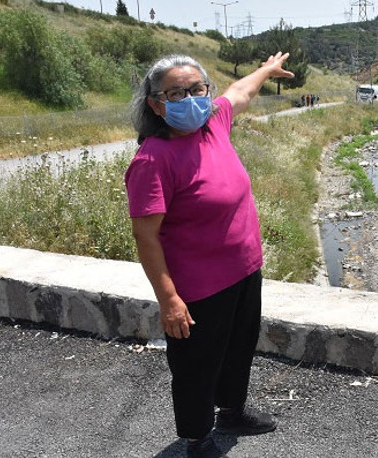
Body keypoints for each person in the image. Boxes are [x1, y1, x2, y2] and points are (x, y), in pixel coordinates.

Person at [125, 52, 293, 458]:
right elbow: (146, 237)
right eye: (175, 93)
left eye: (197, 89)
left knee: (238, 348)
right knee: (196, 366)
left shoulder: (213, 123)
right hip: (198, 288)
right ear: (156, 105)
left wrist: (266, 71)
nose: (190, 99)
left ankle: (232, 412)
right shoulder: (153, 159)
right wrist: (169, 300)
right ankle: (197, 438)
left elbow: (239, 92)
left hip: (244, 269)